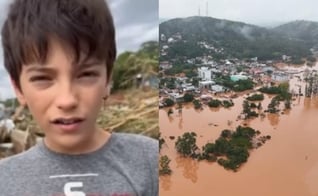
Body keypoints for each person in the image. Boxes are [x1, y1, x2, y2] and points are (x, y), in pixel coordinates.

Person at [0, 0, 159, 195]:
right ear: (18, 89)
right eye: (42, 78)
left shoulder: (152, 162)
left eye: (86, 75)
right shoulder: (6, 180)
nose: (67, 100)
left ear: (107, 80)